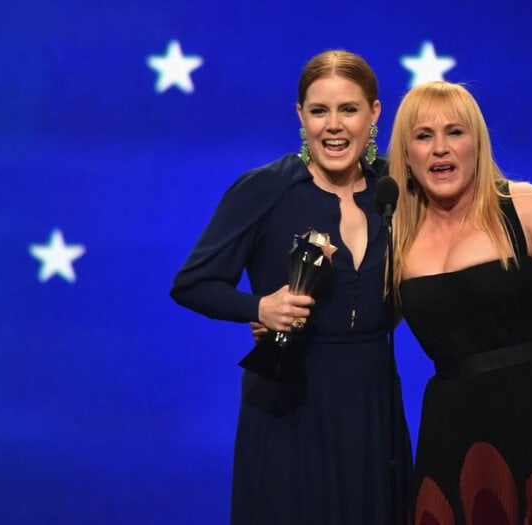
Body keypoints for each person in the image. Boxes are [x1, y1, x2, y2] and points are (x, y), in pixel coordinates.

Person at [170, 50, 411, 525]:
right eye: (319, 110)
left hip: (372, 401)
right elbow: (193, 283)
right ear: (301, 115)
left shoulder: (395, 188)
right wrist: (261, 308)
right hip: (289, 403)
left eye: (349, 109)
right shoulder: (266, 189)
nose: (333, 125)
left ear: (374, 113)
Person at [387, 81, 532, 524]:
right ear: (407, 154)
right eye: (424, 136)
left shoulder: (524, 207)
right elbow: (367, 327)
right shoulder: (397, 237)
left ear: (476, 143)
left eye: (455, 132)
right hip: (454, 428)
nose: (440, 148)